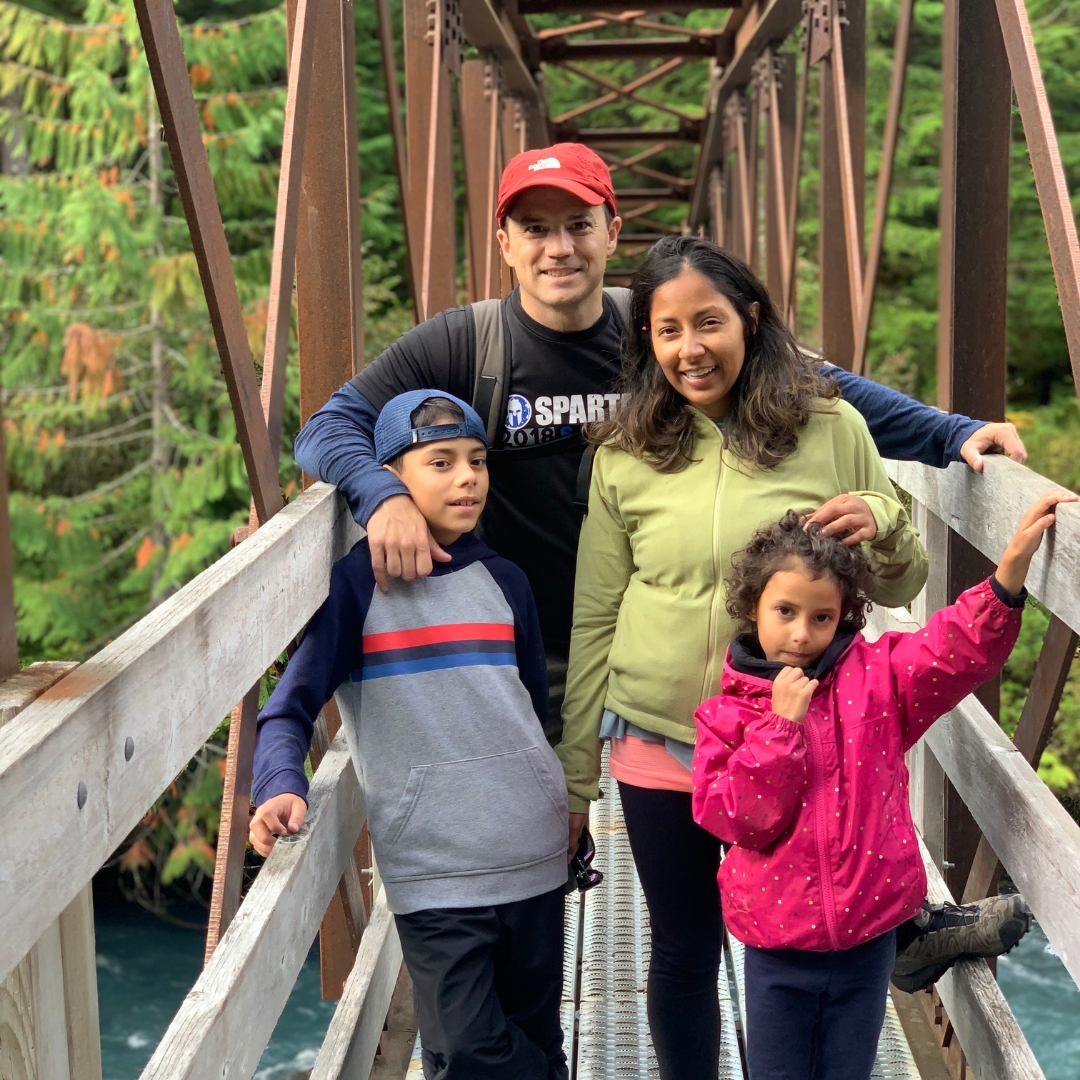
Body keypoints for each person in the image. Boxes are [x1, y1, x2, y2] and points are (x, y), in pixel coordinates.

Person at [292, 145, 1028, 1009]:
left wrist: (948, 434)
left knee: (791, 787)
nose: (558, 247)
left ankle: (891, 927)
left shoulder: (656, 322)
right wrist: (381, 493)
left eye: (578, 224)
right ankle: (510, 1033)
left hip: (667, 636)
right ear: (504, 243)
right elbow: (326, 427)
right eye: (535, 228)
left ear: (613, 231)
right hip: (522, 643)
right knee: (537, 850)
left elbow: (817, 387)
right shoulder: (466, 343)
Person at [557, 235, 935, 1077]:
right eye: (666, 330)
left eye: (709, 322)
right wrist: (576, 778)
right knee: (682, 948)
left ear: (751, 320)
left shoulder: (831, 426)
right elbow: (594, 617)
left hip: (801, 740)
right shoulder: (624, 452)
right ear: (647, 341)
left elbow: (903, 577)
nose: (689, 348)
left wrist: (882, 517)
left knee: (806, 944)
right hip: (660, 738)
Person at [692, 490, 1073, 1079]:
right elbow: (735, 818)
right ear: (753, 607)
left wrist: (1005, 581)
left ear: (844, 614)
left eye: (821, 617)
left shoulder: (877, 679)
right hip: (777, 944)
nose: (801, 634)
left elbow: (949, 652)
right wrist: (779, 730)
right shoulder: (727, 715)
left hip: (868, 939)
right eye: (784, 611)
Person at [248, 392, 570, 1080]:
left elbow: (536, 719)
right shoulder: (357, 589)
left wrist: (565, 805)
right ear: (390, 478)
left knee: (530, 1038)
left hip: (533, 854)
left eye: (477, 461)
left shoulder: (506, 581)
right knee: (471, 1049)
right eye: (441, 462)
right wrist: (279, 783)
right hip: (434, 870)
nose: (467, 477)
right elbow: (288, 707)